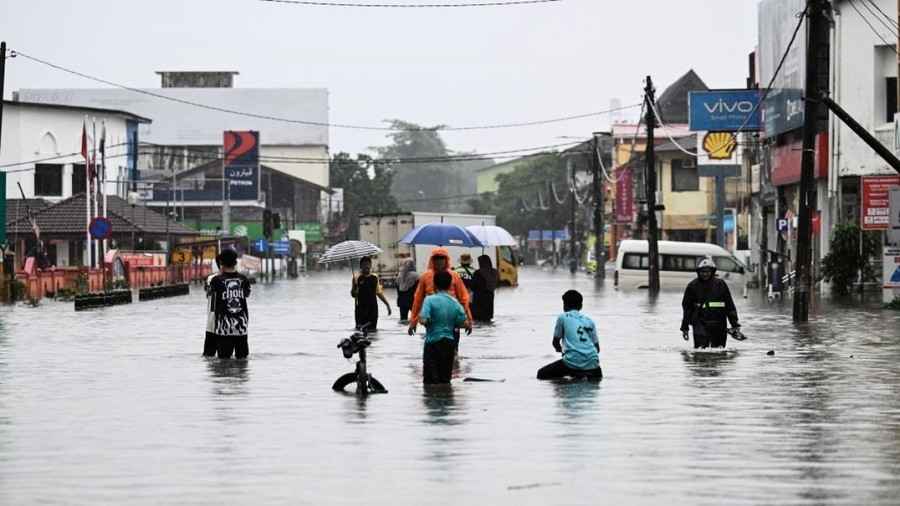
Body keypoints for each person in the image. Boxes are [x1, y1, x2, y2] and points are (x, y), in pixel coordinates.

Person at [408, 247, 473, 340]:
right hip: (433, 321)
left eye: (442, 258)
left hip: (452, 319)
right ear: (432, 259)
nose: (439, 261)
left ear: (446, 259)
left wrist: (469, 320)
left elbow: (463, 299)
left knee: (452, 348)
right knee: (433, 345)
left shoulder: (454, 276)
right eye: (436, 258)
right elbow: (418, 300)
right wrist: (413, 322)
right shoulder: (425, 277)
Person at [537, 290, 602, 380]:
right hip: (594, 365)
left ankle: (565, 384)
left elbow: (555, 342)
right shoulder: (589, 321)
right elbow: (597, 349)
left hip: (572, 362)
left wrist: (561, 351)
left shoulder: (563, 317)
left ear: (565, 305)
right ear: (581, 306)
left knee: (541, 374)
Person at [418, 271, 471, 384]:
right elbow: (465, 324)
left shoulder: (429, 300)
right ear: (450, 285)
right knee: (445, 380)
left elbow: (423, 320)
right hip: (449, 344)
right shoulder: (455, 302)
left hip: (433, 343)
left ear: (434, 284)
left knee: (430, 382)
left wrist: (428, 321)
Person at [680, 257, 742, 349]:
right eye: (703, 272)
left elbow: (729, 306)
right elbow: (687, 308)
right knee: (701, 352)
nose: (705, 274)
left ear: (712, 272)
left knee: (719, 352)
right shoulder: (692, 286)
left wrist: (734, 324)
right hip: (699, 323)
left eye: (707, 271)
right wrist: (685, 328)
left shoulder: (721, 285)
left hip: (719, 323)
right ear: (698, 272)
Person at [207, 248, 252, 359]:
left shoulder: (215, 280)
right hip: (241, 326)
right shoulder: (244, 279)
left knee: (224, 362)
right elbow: (247, 294)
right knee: (242, 361)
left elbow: (210, 297)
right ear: (236, 262)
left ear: (221, 263)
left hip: (223, 328)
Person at [352, 256, 391, 332]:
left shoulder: (375, 277)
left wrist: (387, 305)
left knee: (373, 331)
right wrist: (354, 288)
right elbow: (353, 295)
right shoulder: (356, 278)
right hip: (360, 309)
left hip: (373, 309)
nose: (367, 266)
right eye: (364, 264)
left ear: (371, 265)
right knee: (360, 331)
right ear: (361, 266)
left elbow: (379, 293)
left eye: (368, 264)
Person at [202, 253, 223, 357]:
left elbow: (207, 293)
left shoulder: (210, 278)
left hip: (211, 324)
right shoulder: (213, 279)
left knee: (208, 356)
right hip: (224, 325)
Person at [471, 254, 498, 323]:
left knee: (478, 321)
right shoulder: (495, 272)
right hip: (489, 300)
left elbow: (473, 286)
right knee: (487, 320)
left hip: (479, 301)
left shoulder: (478, 273)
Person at [396, 258, 419, 324]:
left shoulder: (399, 276)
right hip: (413, 301)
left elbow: (398, 291)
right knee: (416, 319)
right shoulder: (416, 276)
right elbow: (419, 291)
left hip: (402, 302)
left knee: (403, 320)